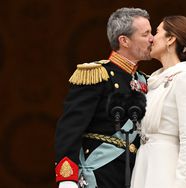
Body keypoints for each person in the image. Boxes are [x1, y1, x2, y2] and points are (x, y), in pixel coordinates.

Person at [55, 7, 153, 188]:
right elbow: (70, 127)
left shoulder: (147, 81)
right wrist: (67, 178)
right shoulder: (97, 75)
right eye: (146, 34)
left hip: (135, 176)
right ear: (124, 40)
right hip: (100, 174)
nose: (152, 38)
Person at [130, 16, 186, 188]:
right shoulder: (154, 81)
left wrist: (180, 185)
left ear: (170, 39)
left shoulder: (184, 79)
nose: (152, 38)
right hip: (144, 164)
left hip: (164, 167)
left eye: (157, 32)